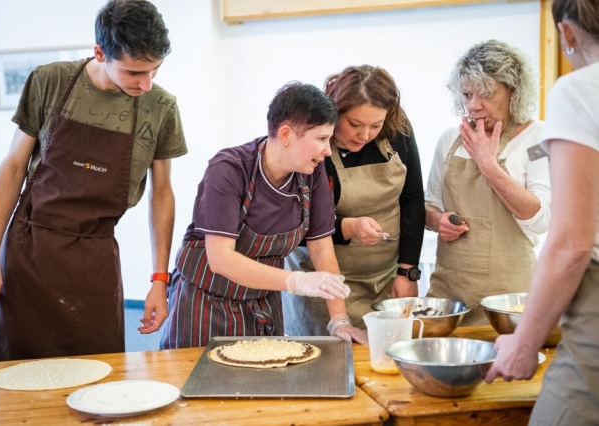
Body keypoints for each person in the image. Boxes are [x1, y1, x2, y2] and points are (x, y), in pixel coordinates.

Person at [0, 0, 187, 362]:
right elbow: (13, 167)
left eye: (154, 70)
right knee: (16, 371)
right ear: (100, 52)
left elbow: (162, 195)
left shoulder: (161, 107)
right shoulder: (50, 81)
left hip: (95, 259)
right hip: (30, 250)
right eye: (135, 72)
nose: (146, 84)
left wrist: (159, 280)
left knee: (98, 374)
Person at [159, 82, 351, 349]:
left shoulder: (313, 172)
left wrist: (339, 319)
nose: (327, 150)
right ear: (286, 134)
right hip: (206, 304)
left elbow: (321, 248)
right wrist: (297, 280)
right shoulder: (229, 169)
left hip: (263, 305)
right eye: (321, 139)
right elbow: (221, 259)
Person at [485, 1, 599, 423]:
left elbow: (570, 241)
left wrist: (524, 343)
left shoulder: (580, 90)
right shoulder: (450, 138)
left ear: (567, 34)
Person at [282, 65, 425, 343]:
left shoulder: (399, 130)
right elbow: (295, 225)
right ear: (335, 113)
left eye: (376, 125)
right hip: (321, 284)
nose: (365, 135)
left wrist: (407, 270)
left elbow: (412, 200)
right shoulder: (312, 144)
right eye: (355, 125)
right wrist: (349, 226)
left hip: (384, 279)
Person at [425, 40, 551, 325]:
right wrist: (437, 221)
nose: (474, 105)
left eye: (486, 94)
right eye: (467, 94)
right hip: (448, 297)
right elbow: (428, 206)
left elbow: (540, 219)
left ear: (513, 91)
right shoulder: (449, 139)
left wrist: (489, 166)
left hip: (510, 301)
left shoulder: (539, 139)